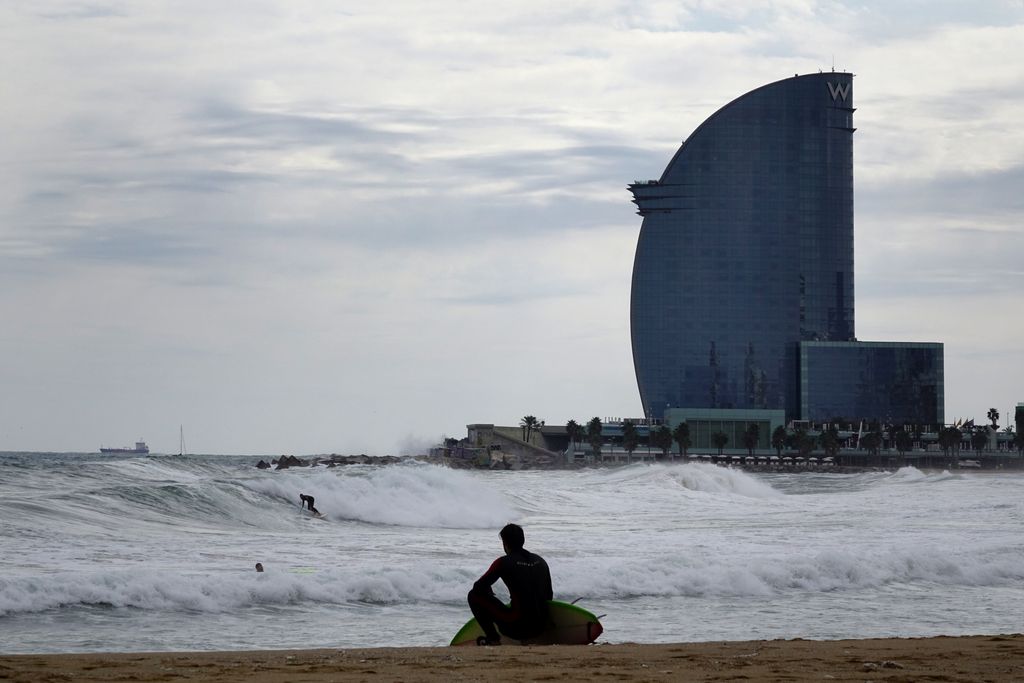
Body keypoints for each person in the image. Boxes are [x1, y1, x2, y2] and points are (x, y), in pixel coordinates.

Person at [467, 523, 553, 646]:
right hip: (541, 626)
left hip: (517, 628)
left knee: (473, 595)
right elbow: (549, 595)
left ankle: (493, 639)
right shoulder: (541, 561)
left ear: (505, 543)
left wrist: (487, 589)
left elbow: (478, 588)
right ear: (523, 540)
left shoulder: (503, 562)